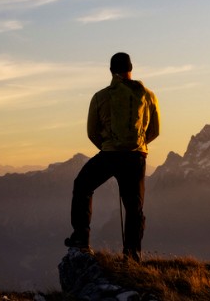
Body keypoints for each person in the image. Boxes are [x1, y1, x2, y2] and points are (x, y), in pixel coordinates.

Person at [65, 52, 160, 262]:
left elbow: (92, 132)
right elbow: (155, 130)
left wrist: (108, 146)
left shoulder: (100, 96)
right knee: (134, 208)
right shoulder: (148, 96)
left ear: (110, 70)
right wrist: (138, 147)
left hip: (109, 155)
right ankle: (133, 255)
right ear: (131, 68)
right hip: (136, 157)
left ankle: (81, 238)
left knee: (82, 186)